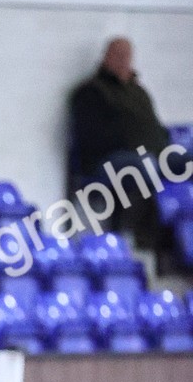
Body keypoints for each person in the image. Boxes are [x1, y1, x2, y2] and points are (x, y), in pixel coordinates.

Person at [69, 37, 188, 248]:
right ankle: (141, 237)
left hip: (155, 154)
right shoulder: (90, 91)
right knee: (144, 166)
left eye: (126, 56)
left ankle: (178, 237)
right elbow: (90, 139)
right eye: (117, 55)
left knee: (182, 159)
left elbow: (155, 127)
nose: (122, 60)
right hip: (110, 160)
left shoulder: (139, 92)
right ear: (106, 57)